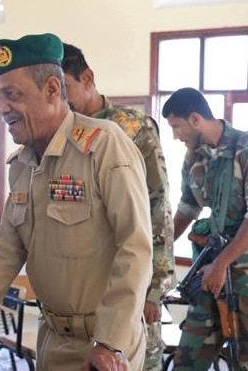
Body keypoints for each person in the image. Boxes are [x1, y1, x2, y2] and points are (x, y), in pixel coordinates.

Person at [0, 33, 153, 371]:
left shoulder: (104, 146)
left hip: (105, 346)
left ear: (52, 89)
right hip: (52, 338)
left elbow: (135, 248)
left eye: (12, 95)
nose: (2, 109)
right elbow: (7, 251)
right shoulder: (23, 164)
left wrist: (110, 344)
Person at [61, 43, 174, 371]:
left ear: (87, 78)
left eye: (64, 89)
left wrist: (155, 289)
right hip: (81, 287)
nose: (59, 101)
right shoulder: (61, 131)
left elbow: (157, 204)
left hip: (129, 280)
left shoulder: (133, 128)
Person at [162, 87, 248, 371]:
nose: (175, 135)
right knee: (187, 360)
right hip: (213, 271)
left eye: (176, 126)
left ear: (195, 119)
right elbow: (187, 208)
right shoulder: (195, 157)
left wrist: (221, 264)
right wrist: (158, 246)